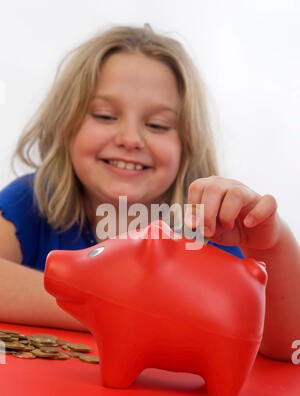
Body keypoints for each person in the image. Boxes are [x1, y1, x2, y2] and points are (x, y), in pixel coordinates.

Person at [0, 24, 299, 361]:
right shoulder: (32, 200)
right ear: (65, 127)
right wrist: (110, 310)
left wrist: (273, 244)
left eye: (157, 125)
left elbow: (287, 347)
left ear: (187, 147)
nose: (130, 138)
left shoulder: (209, 227)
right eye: (105, 115)